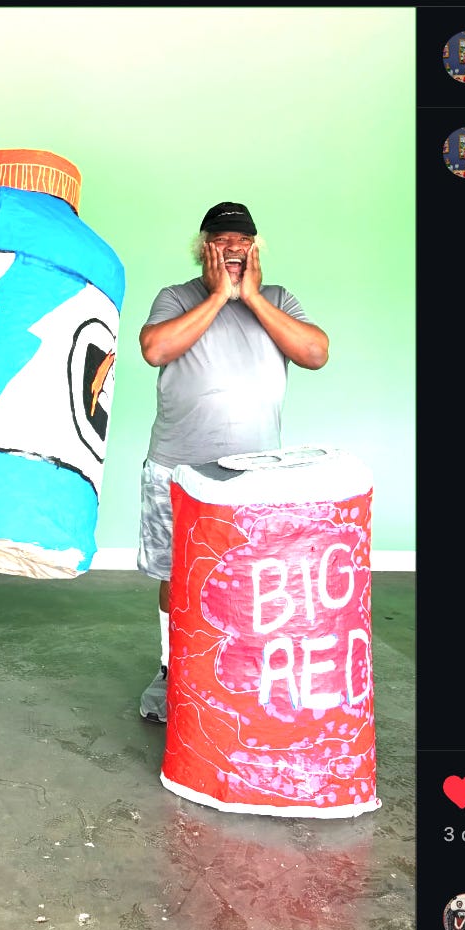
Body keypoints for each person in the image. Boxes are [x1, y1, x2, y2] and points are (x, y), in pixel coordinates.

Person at [135, 201, 330, 721]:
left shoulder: (278, 299)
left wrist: (252, 298)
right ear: (204, 249)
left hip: (254, 475)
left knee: (250, 575)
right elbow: (155, 350)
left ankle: (242, 673)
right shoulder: (176, 296)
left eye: (243, 243)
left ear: (256, 249)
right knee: (178, 576)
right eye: (222, 242)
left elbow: (315, 353)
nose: (233, 251)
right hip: (178, 468)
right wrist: (221, 295)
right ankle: (172, 669)